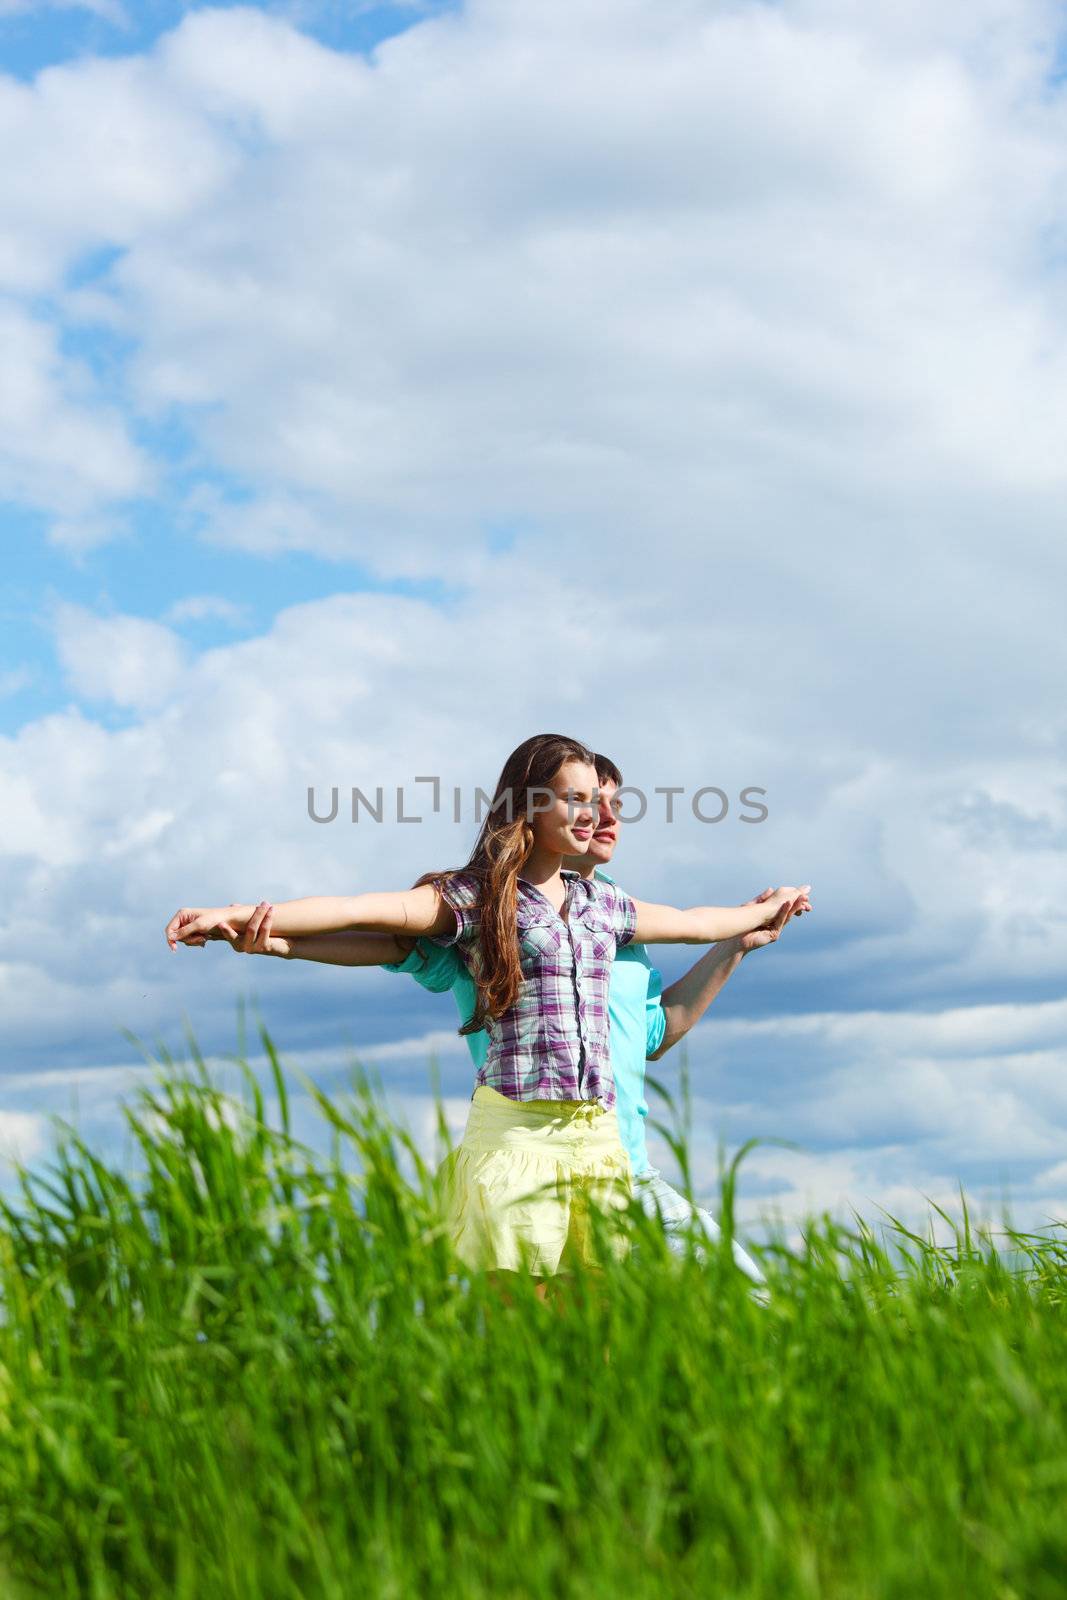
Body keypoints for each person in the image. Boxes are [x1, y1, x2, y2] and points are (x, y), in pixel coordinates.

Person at [165, 733, 811, 1295]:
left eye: (599, 801)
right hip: (515, 1140)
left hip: (597, 1144)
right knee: (525, 1336)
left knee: (598, 1337)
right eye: (575, 799)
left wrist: (764, 911)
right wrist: (241, 917)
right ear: (528, 805)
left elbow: (699, 923)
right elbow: (364, 909)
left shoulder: (604, 906)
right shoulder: (475, 898)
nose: (592, 814)